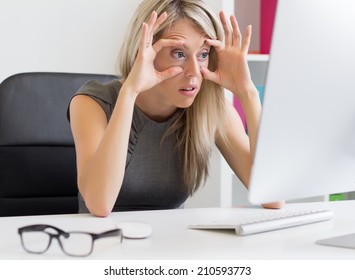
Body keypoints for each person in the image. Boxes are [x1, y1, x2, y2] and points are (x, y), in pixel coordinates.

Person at [68, 0, 282, 217]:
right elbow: (99, 205)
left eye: (203, 54)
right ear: (144, 51)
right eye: (178, 53)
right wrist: (130, 92)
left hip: (172, 246)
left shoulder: (213, 110)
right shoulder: (92, 103)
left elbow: (273, 197)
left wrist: (248, 92)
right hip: (103, 245)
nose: (194, 72)